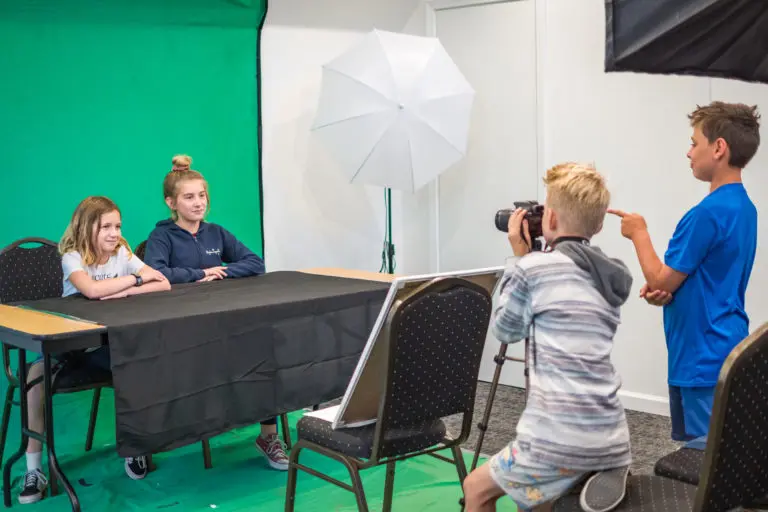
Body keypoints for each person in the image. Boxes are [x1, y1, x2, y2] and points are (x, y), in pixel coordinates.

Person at [463, 163, 633, 512]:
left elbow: (506, 330)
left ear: (550, 219)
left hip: (557, 437)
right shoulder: (610, 276)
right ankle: (597, 467)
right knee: (540, 497)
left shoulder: (532, 269)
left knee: (476, 488)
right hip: (611, 432)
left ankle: (567, 469)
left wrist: (519, 260)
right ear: (599, 225)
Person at [609, 101, 761, 445]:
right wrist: (666, 293)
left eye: (695, 143)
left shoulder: (705, 214)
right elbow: (690, 280)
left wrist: (639, 233)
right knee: (718, 451)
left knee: (705, 461)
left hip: (702, 355)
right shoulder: (744, 207)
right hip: (721, 343)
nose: (688, 152)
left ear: (719, 148)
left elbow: (662, 277)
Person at [20, 196, 170, 505]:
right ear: (86, 228)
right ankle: (33, 469)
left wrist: (128, 288)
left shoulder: (123, 253)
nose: (114, 233)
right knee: (34, 378)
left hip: (107, 344)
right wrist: (136, 279)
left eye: (118, 226)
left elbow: (163, 283)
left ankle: (135, 446)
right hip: (67, 348)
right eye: (106, 227)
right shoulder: (73, 257)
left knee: (138, 366)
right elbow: (90, 290)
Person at [142, 167, 289, 470]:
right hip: (179, 329)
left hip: (222, 323)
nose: (198, 203)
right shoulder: (161, 236)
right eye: (189, 197)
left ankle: (268, 436)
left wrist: (220, 272)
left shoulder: (217, 233)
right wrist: (200, 274)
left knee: (264, 350)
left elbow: (254, 263)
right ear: (171, 203)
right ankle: (142, 445)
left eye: (202, 196)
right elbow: (155, 274)